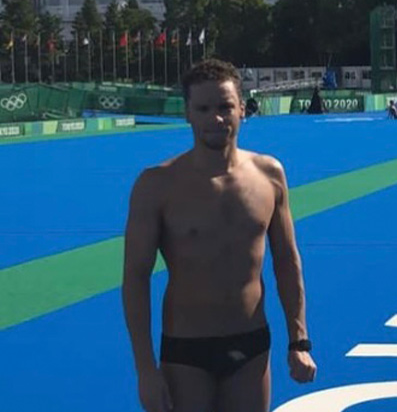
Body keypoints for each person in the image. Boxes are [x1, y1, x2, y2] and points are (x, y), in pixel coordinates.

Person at [122, 58, 316, 412]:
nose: (216, 118)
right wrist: (145, 370)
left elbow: (287, 261)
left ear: (242, 108)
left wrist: (298, 341)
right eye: (204, 108)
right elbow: (135, 278)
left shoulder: (269, 174)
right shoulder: (156, 185)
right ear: (188, 114)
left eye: (226, 106)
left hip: (251, 345)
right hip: (186, 351)